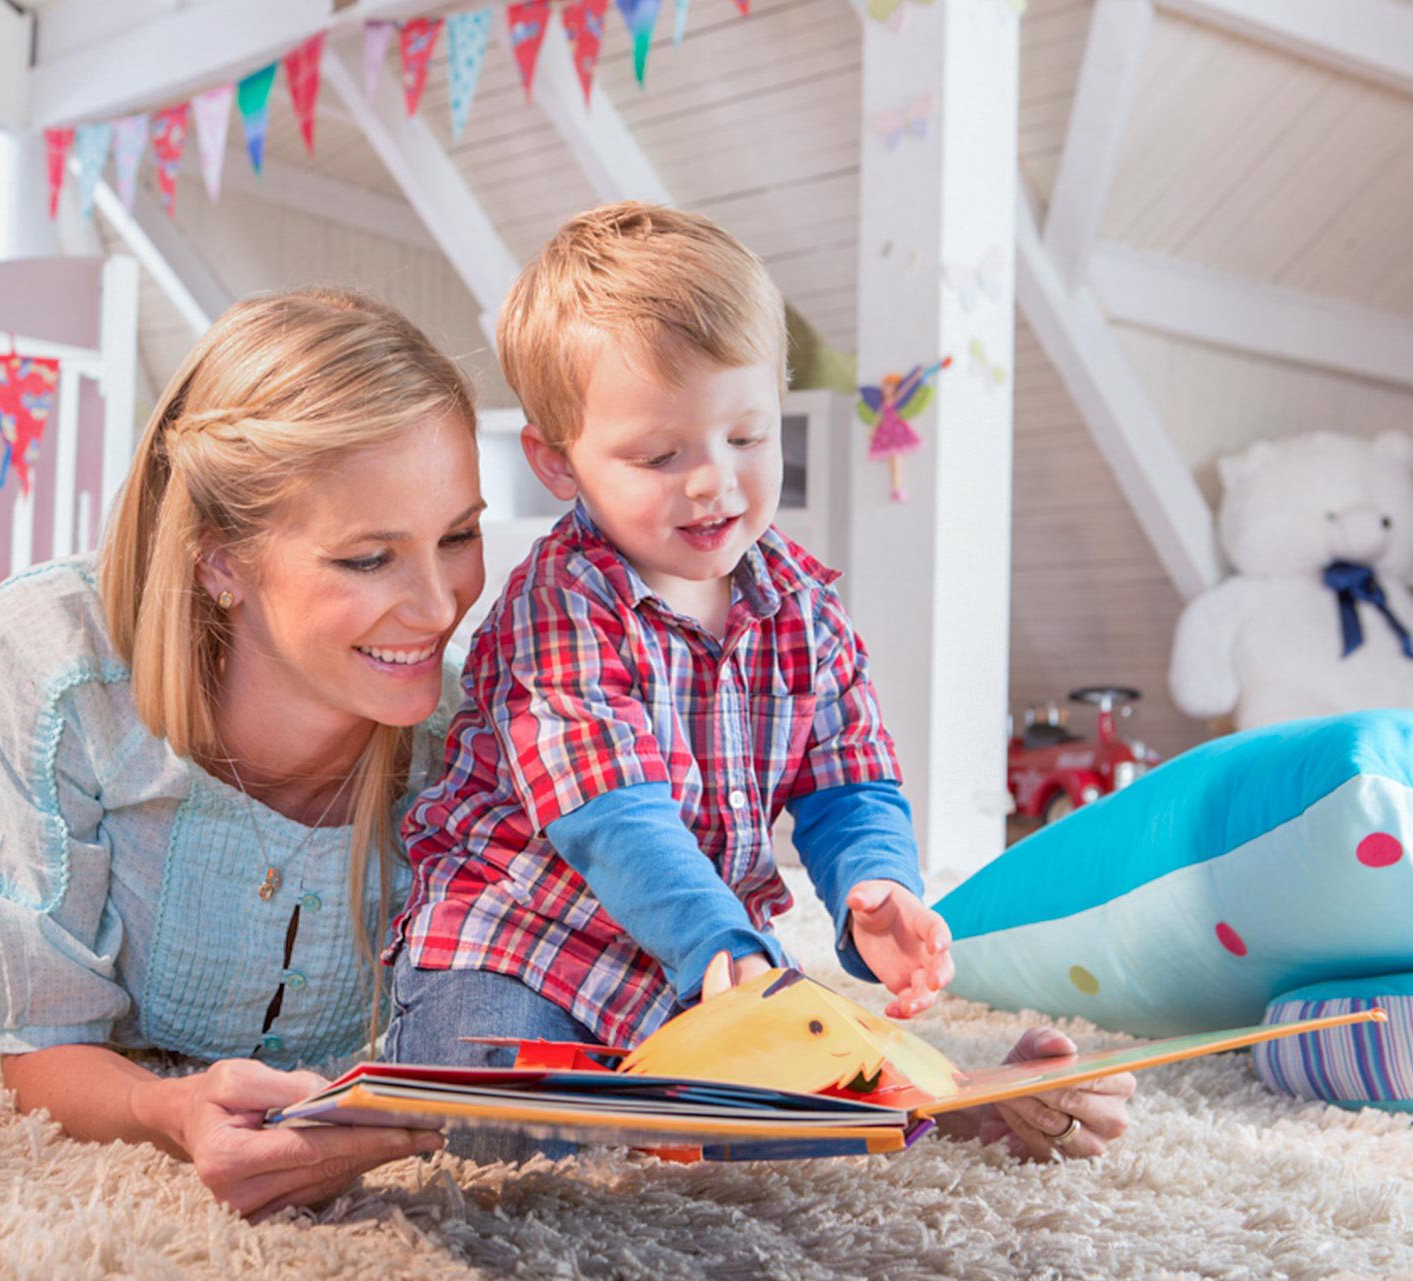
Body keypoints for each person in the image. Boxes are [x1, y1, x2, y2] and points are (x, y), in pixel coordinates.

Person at [0, 288, 490, 1218]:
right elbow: (40, 1041)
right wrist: (165, 1108)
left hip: (8, 833)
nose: (439, 606)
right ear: (220, 558)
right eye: (368, 558)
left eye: (460, 536)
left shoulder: (468, 737)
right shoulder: (58, 659)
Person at [385, 202, 1133, 1163]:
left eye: (747, 436)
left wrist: (877, 889)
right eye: (661, 455)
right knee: (498, 1116)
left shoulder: (804, 607)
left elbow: (850, 781)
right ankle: (657, 1101)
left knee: (788, 1094)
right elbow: (614, 816)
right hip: (520, 945)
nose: (714, 482)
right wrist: (716, 941)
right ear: (556, 462)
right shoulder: (560, 603)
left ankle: (939, 1102)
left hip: (703, 969)